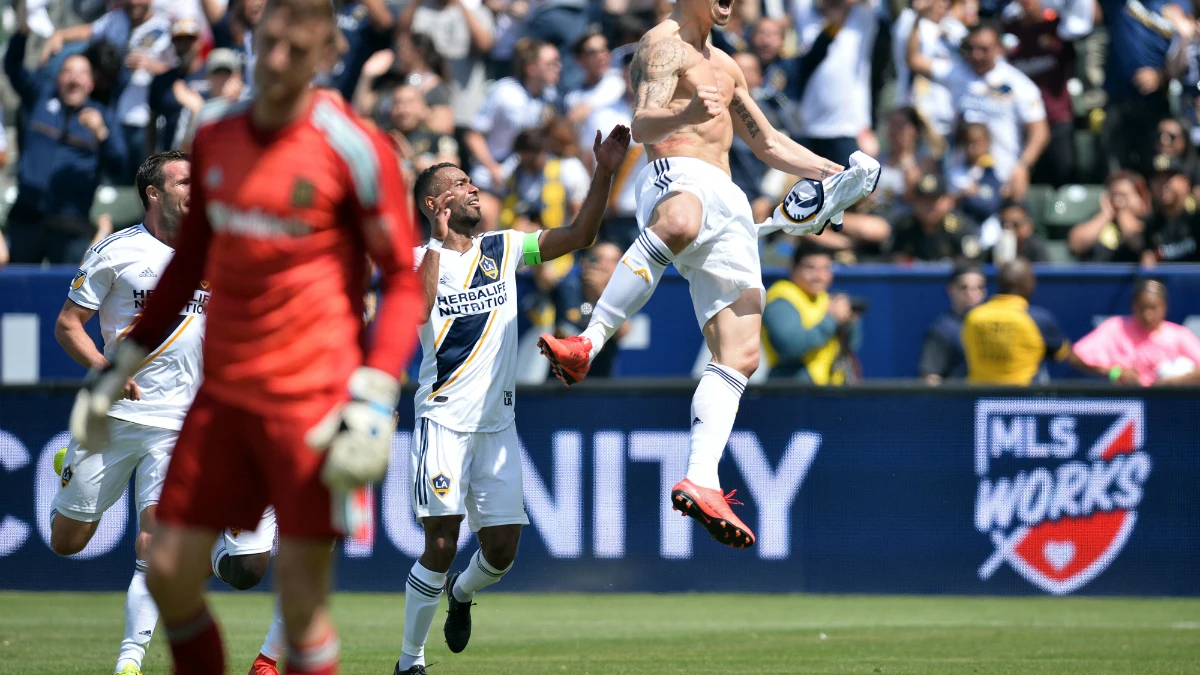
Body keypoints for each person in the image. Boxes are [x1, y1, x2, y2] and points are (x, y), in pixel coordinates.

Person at [68, 3, 424, 675]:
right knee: (170, 570)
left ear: (327, 54)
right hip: (222, 398)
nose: (279, 59)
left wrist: (376, 390)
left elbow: (403, 278)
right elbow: (186, 271)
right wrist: (117, 363)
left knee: (299, 595)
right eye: (269, 44)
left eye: (297, 47)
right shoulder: (218, 138)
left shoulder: (355, 146)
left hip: (311, 402)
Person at [537, 0, 864, 550]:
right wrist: (688, 116)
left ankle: (703, 479)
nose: (731, 3)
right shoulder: (662, 43)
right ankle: (587, 342)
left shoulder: (729, 65)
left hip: (731, 201)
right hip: (675, 173)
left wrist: (841, 174)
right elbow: (642, 123)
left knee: (741, 353)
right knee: (681, 220)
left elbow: (769, 144)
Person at [396, 125, 631, 675]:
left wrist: (605, 170)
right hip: (443, 420)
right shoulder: (416, 258)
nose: (474, 188)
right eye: (460, 184)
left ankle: (461, 594)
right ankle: (410, 661)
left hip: (497, 426)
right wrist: (435, 237)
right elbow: (415, 312)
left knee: (500, 552)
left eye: (473, 180)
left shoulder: (502, 248)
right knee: (440, 543)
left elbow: (580, 236)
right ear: (436, 203)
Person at [51, 151, 285, 675]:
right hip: (115, 414)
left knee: (157, 539)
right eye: (183, 182)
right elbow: (69, 324)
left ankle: (128, 661)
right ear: (154, 193)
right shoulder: (117, 251)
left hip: (180, 422)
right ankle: (66, 461)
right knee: (68, 542)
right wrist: (103, 367)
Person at [4, 7, 127, 264]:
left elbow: (121, 169)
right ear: (58, 78)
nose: (74, 79)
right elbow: (13, 66)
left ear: (91, 83)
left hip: (71, 225)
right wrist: (23, 31)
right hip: (27, 217)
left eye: (82, 74)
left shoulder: (103, 116)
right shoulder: (40, 97)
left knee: (69, 295)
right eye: (67, 72)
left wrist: (101, 134)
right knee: (16, 293)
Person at [907, 13, 1050, 200]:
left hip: (1003, 178)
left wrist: (1023, 167)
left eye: (984, 49)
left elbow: (1040, 132)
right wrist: (919, 17)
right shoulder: (957, 73)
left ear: (999, 48)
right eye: (971, 48)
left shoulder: (1018, 84)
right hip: (959, 180)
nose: (976, 55)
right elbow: (914, 60)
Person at [43, 0, 174, 181]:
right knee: (112, 179)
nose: (135, 3)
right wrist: (61, 35)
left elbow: (179, 70)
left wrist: (152, 66)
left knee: (145, 181)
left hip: (144, 120)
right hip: (113, 114)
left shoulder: (164, 28)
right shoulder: (116, 19)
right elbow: (91, 30)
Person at [466, 39, 562, 227]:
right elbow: (473, 135)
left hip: (528, 184)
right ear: (531, 68)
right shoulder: (504, 92)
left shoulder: (550, 97)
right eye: (551, 63)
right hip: (492, 179)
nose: (558, 67)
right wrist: (492, 167)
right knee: (486, 224)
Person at [1001, 0, 1094, 185]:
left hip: (1058, 118)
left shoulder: (1058, 28)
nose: (1028, 4)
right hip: (1026, 122)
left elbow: (1083, 23)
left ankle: (1063, 213)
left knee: (1064, 178)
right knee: (1032, 180)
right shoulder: (1008, 32)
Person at [761, 240, 861, 384]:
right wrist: (832, 318)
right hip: (792, 391)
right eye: (811, 268)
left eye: (825, 268)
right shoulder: (780, 299)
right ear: (793, 268)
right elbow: (790, 346)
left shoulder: (825, 298)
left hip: (830, 388)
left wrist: (850, 322)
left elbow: (852, 345)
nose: (819, 276)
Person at [961, 258, 1071, 385]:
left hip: (981, 401)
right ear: (1025, 283)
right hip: (1020, 401)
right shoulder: (1037, 319)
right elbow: (1062, 354)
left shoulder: (973, 317)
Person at [1070, 279, 1200, 385]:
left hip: (1168, 407)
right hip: (1125, 404)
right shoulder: (1115, 328)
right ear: (1133, 306)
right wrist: (1115, 373)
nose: (1147, 315)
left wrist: (1173, 383)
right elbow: (1076, 357)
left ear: (1164, 307)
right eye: (1142, 308)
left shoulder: (1179, 335)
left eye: (1153, 308)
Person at [400, 0, 496, 132]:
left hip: (464, 102)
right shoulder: (421, 9)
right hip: (426, 100)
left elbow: (485, 44)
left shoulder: (476, 10)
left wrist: (462, 7)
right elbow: (400, 37)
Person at [919, 262, 987, 384]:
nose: (971, 294)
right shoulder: (942, 330)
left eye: (978, 288)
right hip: (960, 401)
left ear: (984, 292)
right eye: (963, 287)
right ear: (951, 289)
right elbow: (930, 378)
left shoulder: (994, 327)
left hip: (992, 401)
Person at [891, 172, 983, 262]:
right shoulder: (905, 228)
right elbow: (894, 260)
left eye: (934, 201)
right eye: (923, 201)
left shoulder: (961, 228)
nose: (928, 207)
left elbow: (971, 262)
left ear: (948, 201)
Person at [1068, 170, 1152, 262]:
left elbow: (1139, 244)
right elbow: (1075, 245)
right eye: (1113, 195)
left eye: (1124, 196)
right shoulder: (1097, 219)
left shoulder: (1150, 223)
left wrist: (1122, 215)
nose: (1117, 201)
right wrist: (1106, 215)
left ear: (1140, 198)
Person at [329, 0, 394, 100]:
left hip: (356, 92)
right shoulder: (341, 6)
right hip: (330, 83)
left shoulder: (375, 9)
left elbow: (385, 22)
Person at [1142, 157, 1200, 265]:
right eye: (1158, 179)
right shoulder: (1147, 226)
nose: (1164, 185)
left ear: (1186, 183)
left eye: (1169, 177)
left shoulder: (1195, 220)